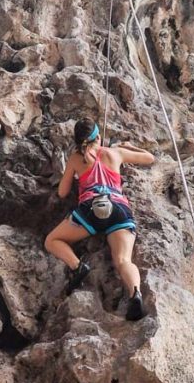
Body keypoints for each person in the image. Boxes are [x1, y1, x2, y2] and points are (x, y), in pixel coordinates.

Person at [45, 117, 155, 320]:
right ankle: (135, 293)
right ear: (98, 136)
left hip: (91, 210)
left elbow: (62, 192)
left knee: (52, 240)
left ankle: (78, 267)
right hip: (119, 208)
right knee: (123, 260)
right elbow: (149, 158)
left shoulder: (76, 159)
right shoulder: (115, 153)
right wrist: (130, 146)